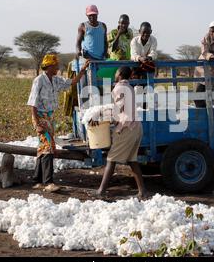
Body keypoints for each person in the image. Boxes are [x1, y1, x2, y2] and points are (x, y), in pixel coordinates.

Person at [27, 54, 90, 192]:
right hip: (40, 116)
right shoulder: (39, 80)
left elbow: (72, 82)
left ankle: (37, 181)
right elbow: (33, 102)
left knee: (43, 146)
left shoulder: (55, 80)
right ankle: (48, 183)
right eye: (55, 66)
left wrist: (83, 70)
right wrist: (37, 123)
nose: (57, 68)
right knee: (48, 147)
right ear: (49, 67)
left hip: (49, 117)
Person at [88, 66, 148, 199]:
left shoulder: (119, 88)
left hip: (127, 128)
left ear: (120, 74)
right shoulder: (129, 87)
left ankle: (101, 191)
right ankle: (142, 192)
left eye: (116, 72)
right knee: (132, 160)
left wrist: (100, 115)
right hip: (136, 127)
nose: (114, 74)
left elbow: (118, 109)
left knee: (111, 159)